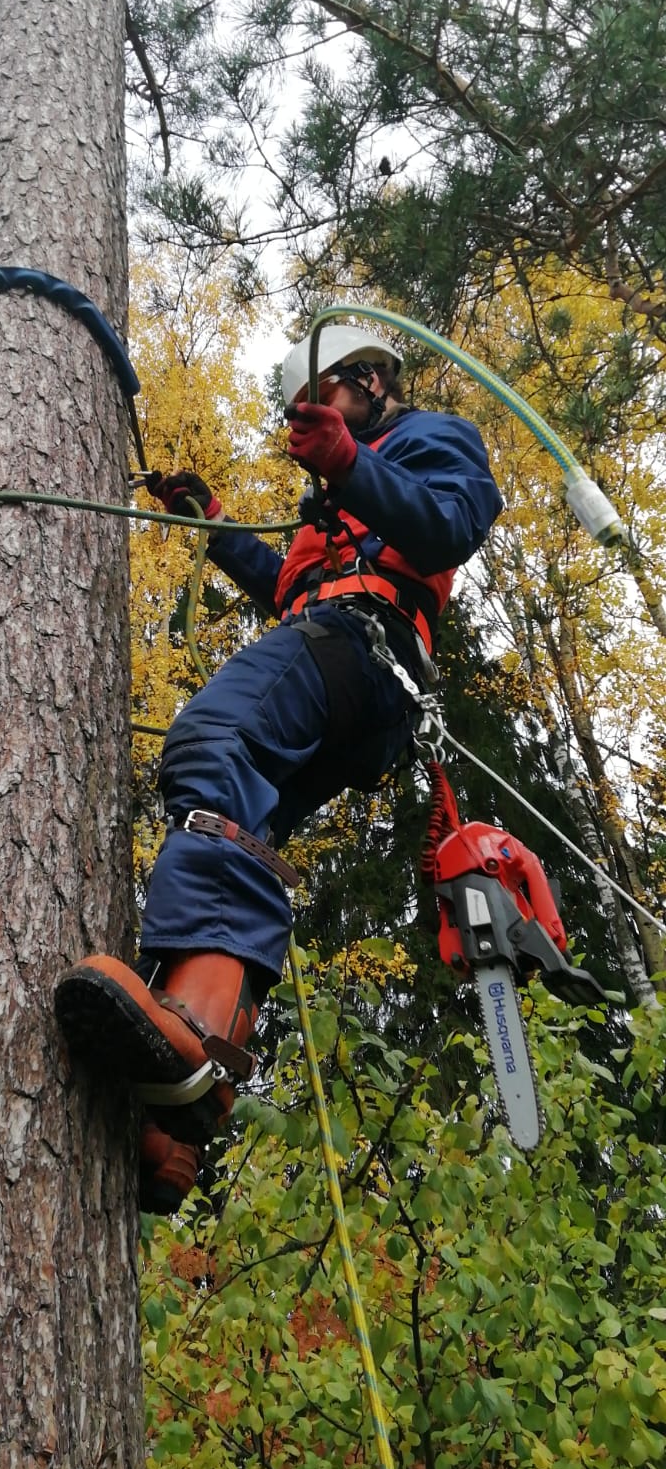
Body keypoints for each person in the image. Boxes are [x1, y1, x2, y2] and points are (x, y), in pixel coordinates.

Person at [55, 324, 503, 1211]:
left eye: (323, 400)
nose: (311, 418)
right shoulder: (328, 503)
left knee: (210, 749)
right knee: (239, 826)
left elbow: (452, 524)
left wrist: (350, 464)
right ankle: (189, 1086)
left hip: (364, 652)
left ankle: (194, 1032)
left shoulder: (425, 439)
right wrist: (214, 525)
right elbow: (292, 587)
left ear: (370, 383)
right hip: (343, 659)